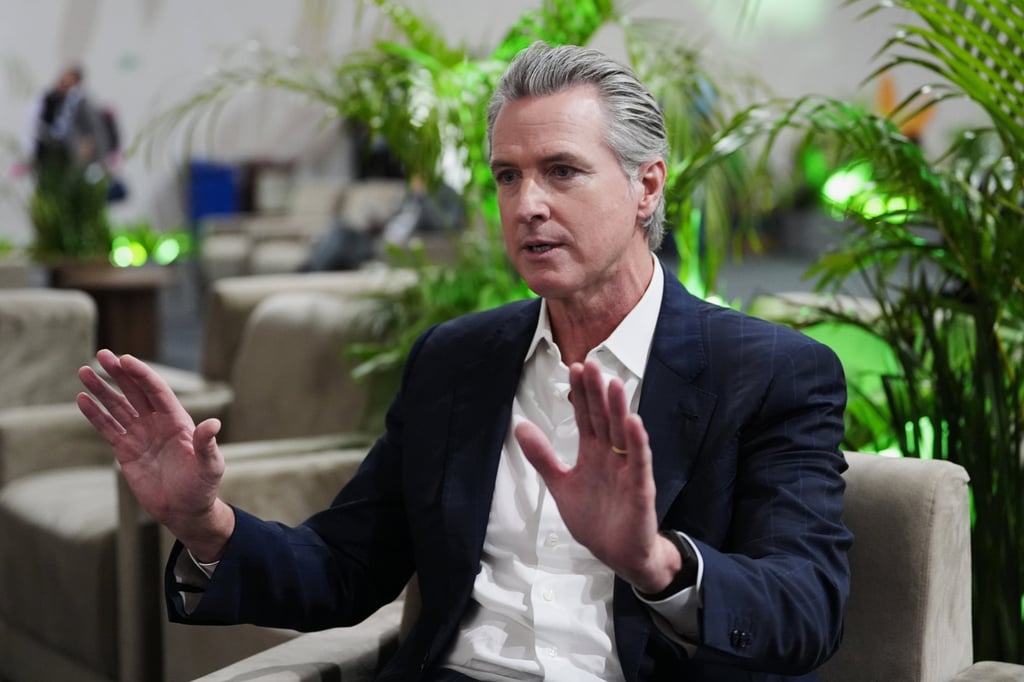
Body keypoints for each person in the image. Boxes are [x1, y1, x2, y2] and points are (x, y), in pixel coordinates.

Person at [77, 42, 851, 681]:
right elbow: (347, 565)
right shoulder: (457, 361)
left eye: (562, 170)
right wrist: (205, 522)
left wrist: (655, 563)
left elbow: (808, 608)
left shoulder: (771, 373)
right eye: (508, 176)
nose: (527, 205)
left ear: (646, 186)